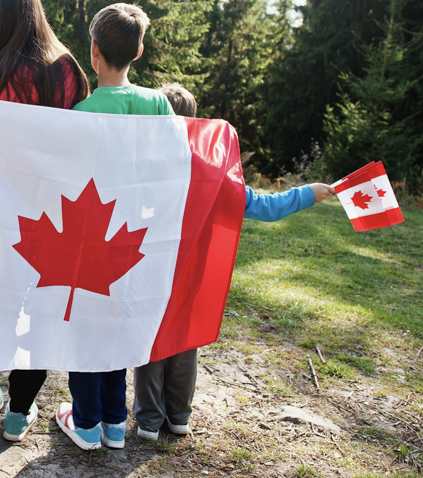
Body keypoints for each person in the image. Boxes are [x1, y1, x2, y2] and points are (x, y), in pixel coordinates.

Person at [131, 82, 335, 442]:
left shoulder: (144, 168)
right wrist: (307, 193)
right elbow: (265, 207)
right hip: (193, 275)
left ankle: (149, 420)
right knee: (184, 340)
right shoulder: (215, 174)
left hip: (152, 269)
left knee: (153, 339)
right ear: (195, 123)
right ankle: (178, 416)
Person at [0, 0, 91, 442]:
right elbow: (84, 147)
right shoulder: (69, 71)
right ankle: (18, 414)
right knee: (40, 312)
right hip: (54, 219)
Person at [53, 2, 174, 451]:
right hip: (138, 240)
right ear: (138, 51)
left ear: (94, 51)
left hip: (88, 241)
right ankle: (115, 423)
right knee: (120, 326)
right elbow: (171, 170)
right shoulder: (158, 103)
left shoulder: (81, 113)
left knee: (87, 329)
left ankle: (85, 423)